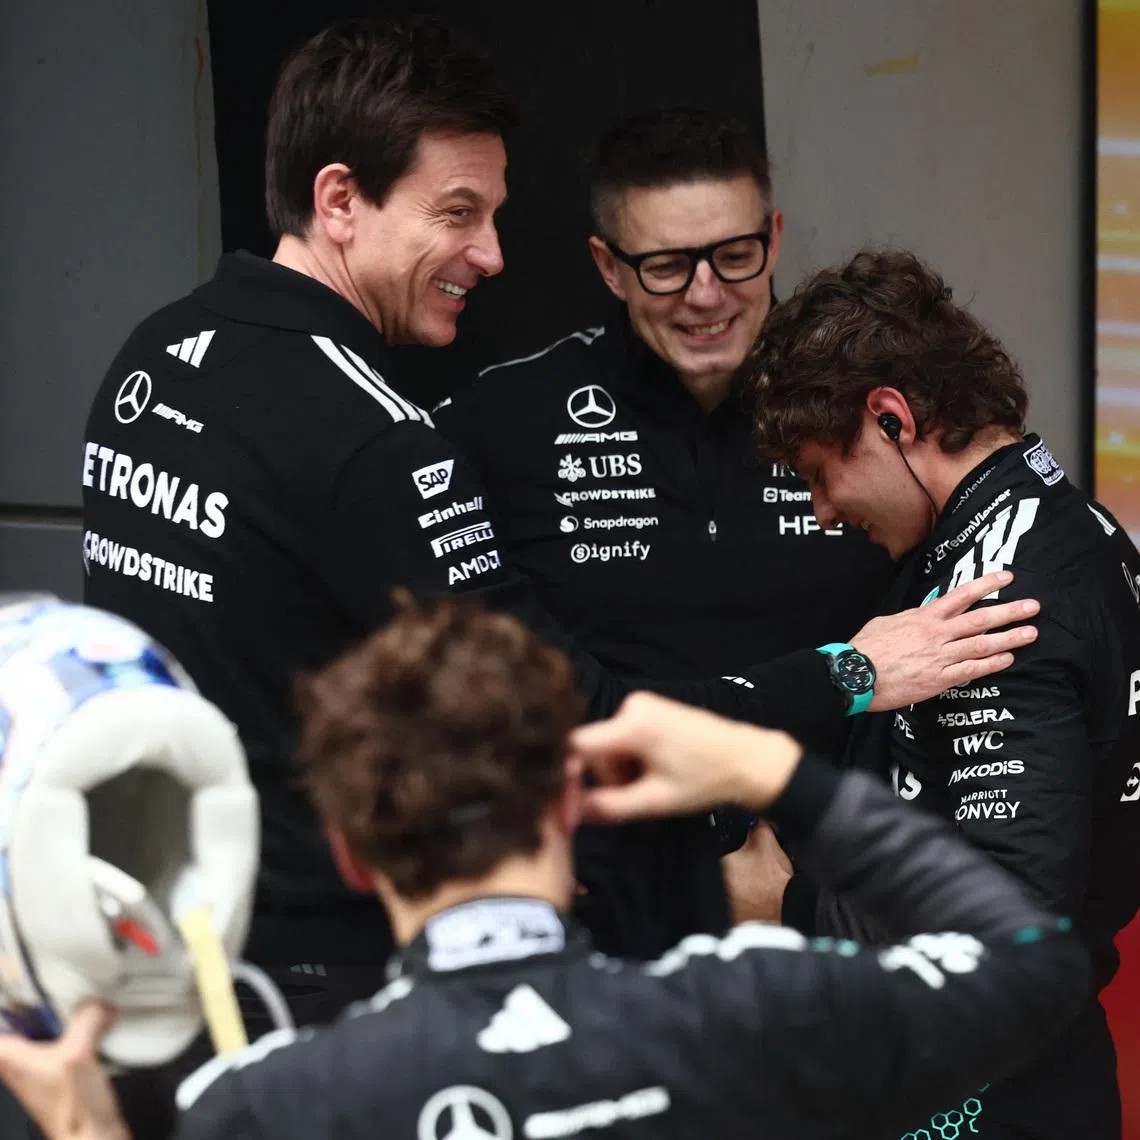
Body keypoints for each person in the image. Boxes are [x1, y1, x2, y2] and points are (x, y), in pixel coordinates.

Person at [81, 12, 1035, 1022]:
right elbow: (573, 723)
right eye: (457, 212)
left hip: (155, 938)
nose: (490, 254)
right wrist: (854, 671)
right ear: (340, 200)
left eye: (492, 214)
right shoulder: (379, 438)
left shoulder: (151, 355)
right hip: (314, 978)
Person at [0, 599, 1089, 1140]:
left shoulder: (263, 1109)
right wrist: (770, 770)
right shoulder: (754, 1003)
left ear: (345, 847)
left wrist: (87, 1130)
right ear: (571, 801)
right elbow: (1037, 956)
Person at [433, 107, 894, 954]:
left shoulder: (875, 410)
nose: (707, 294)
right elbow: (426, 656)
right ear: (609, 266)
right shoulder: (506, 421)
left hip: (830, 922)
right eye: (668, 266)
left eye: (734, 254)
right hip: (599, 927)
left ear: (775, 236)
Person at [743, 247, 1140, 1139]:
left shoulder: (996, 591)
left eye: (818, 474)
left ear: (890, 418)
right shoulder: (1069, 520)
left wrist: (788, 903)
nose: (822, 514)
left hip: (996, 1090)